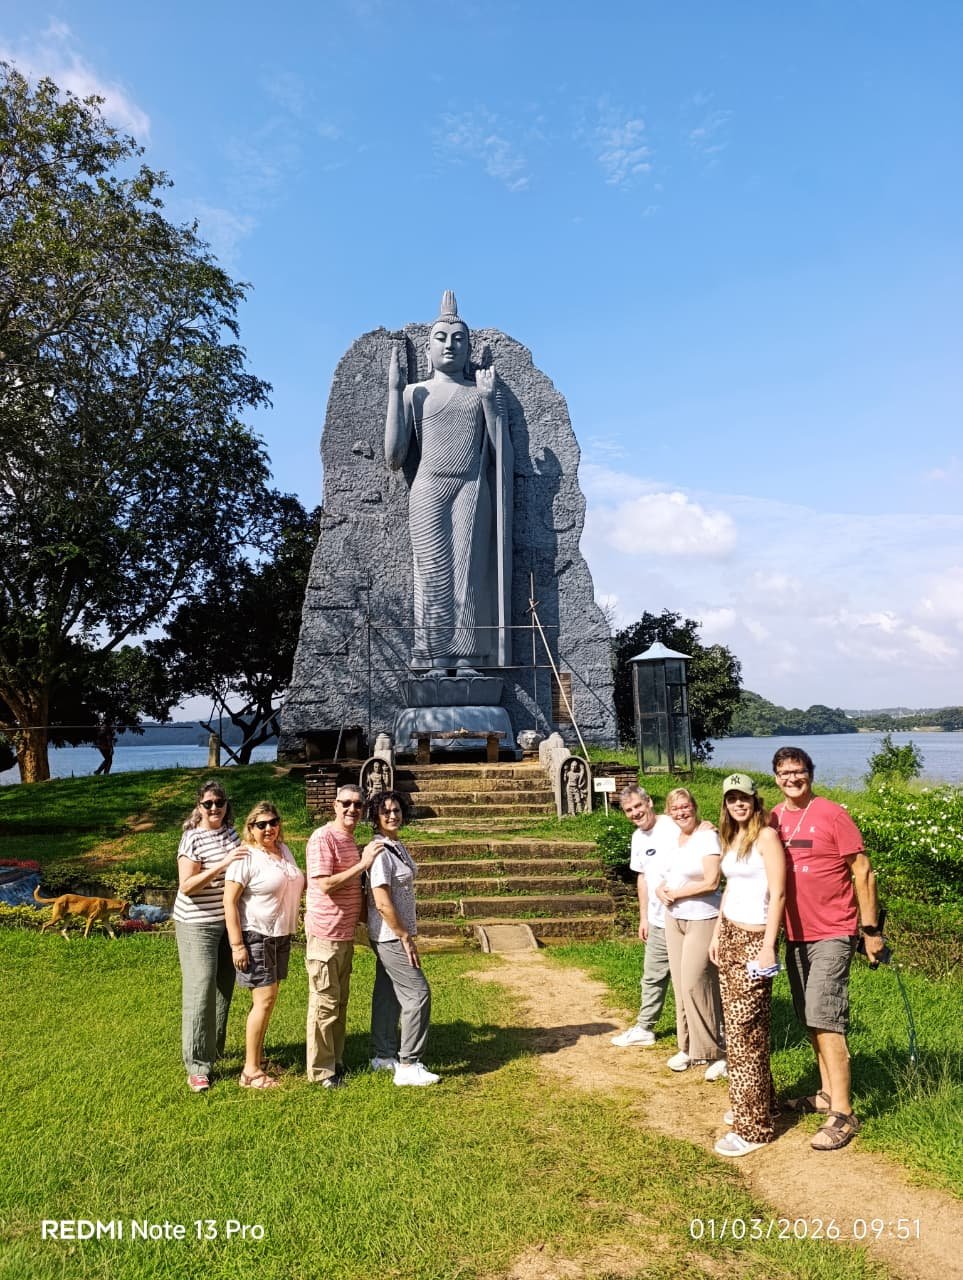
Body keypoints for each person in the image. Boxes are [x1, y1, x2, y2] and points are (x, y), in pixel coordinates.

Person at [384, 290, 513, 670]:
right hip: (428, 487)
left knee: (469, 573)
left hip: (471, 486)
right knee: (432, 572)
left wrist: (491, 402)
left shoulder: (479, 393)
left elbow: (500, 451)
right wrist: (394, 392)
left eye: (459, 339)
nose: (450, 345)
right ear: (427, 349)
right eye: (441, 338)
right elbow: (394, 457)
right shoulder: (414, 392)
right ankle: (433, 655)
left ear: (470, 348)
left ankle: (468, 656)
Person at [770, 746, 884, 1151]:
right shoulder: (774, 818)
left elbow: (863, 871)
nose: (791, 779)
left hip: (833, 932)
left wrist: (871, 931)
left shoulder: (832, 814)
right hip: (795, 935)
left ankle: (844, 1113)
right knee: (809, 1017)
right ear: (776, 777)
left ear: (810, 773)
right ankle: (824, 1093)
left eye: (798, 771)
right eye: (784, 773)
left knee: (825, 1016)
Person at [709, 774, 786, 1157]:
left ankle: (752, 1128)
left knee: (743, 1036)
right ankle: (761, 1104)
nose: (738, 804)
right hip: (730, 938)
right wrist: (717, 934)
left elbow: (779, 893)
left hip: (757, 940)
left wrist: (769, 946)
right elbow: (730, 891)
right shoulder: (732, 837)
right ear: (726, 804)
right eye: (732, 799)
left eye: (745, 798)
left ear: (756, 801)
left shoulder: (766, 837)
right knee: (747, 1031)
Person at [224, 802, 305, 1090]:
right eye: (261, 824)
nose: (269, 828)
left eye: (273, 822)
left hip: (281, 934)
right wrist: (237, 945)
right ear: (251, 828)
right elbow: (229, 901)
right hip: (256, 935)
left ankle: (257, 1058)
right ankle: (250, 1072)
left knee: (268, 1002)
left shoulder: (283, 852)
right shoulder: (246, 857)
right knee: (264, 1001)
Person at [304, 784, 380, 1088]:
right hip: (325, 934)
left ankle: (336, 1060)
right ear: (335, 805)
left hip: (344, 934)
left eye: (358, 805)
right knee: (324, 1003)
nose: (352, 809)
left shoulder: (348, 840)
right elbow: (324, 885)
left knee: (339, 1002)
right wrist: (363, 864)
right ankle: (322, 1072)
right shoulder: (323, 838)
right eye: (346, 803)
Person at [172, 780, 245, 1092]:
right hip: (196, 924)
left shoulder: (231, 834)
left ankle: (212, 1048)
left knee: (222, 989)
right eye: (208, 804)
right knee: (200, 990)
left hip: (226, 922)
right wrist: (223, 865)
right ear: (198, 807)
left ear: (226, 805)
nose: (214, 808)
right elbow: (187, 886)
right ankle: (197, 1065)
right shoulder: (192, 839)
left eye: (219, 802)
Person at [365, 790, 439, 1086]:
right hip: (389, 935)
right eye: (386, 812)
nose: (393, 815)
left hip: (390, 934)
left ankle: (383, 1055)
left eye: (396, 810)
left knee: (389, 993)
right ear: (376, 817)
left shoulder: (396, 845)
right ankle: (409, 1064)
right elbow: (381, 900)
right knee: (418, 994)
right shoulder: (380, 851)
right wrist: (403, 935)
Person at [656, 788, 727, 1080]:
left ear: (694, 808)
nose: (681, 812)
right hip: (675, 918)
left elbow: (712, 881)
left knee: (696, 983)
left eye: (685, 807)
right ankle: (688, 1047)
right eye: (675, 808)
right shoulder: (673, 838)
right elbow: (665, 875)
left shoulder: (707, 836)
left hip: (702, 917)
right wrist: (662, 890)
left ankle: (716, 1051)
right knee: (680, 984)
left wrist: (679, 894)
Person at [611, 785, 679, 1048]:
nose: (635, 813)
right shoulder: (638, 838)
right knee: (652, 975)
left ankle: (703, 1034)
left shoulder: (672, 825)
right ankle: (645, 1027)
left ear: (649, 802)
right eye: (629, 810)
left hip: (684, 915)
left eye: (638, 806)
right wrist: (644, 916)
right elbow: (643, 877)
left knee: (691, 980)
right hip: (657, 917)